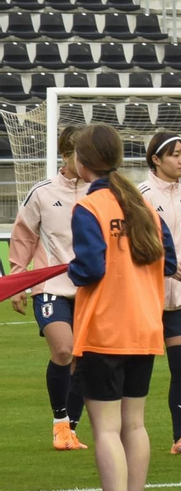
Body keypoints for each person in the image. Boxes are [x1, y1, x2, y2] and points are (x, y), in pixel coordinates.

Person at [64, 123, 177, 491]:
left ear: (81, 161)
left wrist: (70, 269)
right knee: (135, 424)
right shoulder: (142, 205)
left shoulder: (88, 206)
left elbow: (91, 268)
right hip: (144, 327)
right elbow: (166, 261)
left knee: (107, 428)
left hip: (106, 329)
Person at [9, 124, 89, 450]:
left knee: (83, 359)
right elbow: (24, 236)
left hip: (91, 288)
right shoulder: (42, 192)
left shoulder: (102, 191)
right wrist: (18, 280)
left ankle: (72, 427)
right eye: (79, 155)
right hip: (50, 285)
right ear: (64, 155)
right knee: (63, 350)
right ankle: (59, 425)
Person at [139, 133, 181, 454]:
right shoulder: (140, 195)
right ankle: (124, 433)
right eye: (175, 155)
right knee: (138, 369)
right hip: (146, 294)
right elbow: (134, 246)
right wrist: (164, 265)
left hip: (180, 295)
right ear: (156, 159)